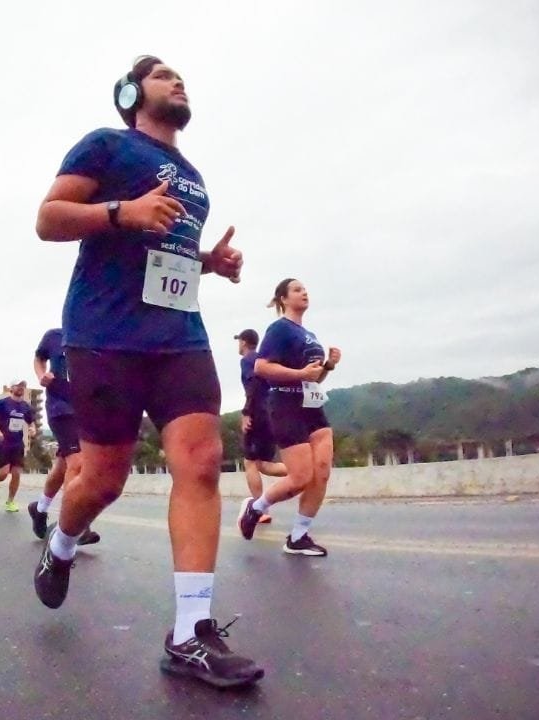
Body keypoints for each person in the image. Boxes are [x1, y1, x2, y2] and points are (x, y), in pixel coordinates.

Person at [31, 55, 262, 688]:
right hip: (104, 333)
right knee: (103, 478)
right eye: (162, 75)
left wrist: (209, 261)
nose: (178, 81)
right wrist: (120, 212)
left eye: (180, 75)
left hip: (178, 335)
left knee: (200, 458)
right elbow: (48, 218)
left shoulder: (194, 177)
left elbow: (167, 250)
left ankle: (190, 632)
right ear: (132, 93)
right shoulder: (105, 144)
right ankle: (61, 543)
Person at [237, 278, 341, 557]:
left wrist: (328, 365)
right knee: (300, 477)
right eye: (297, 289)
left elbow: (314, 376)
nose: (304, 292)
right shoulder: (279, 329)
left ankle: (298, 536)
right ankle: (255, 508)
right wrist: (299, 375)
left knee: (322, 471)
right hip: (285, 404)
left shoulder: (308, 333)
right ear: (283, 299)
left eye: (305, 288)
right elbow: (261, 367)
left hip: (312, 405)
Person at [28, 327, 99, 544]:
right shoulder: (55, 336)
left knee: (63, 467)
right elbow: (39, 358)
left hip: (86, 411)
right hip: (61, 409)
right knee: (77, 464)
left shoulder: (98, 337)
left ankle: (39, 509)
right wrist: (41, 376)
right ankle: (74, 527)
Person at [235, 329, 287, 523]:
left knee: (249, 462)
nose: (238, 345)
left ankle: (259, 509)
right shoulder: (266, 360)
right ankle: (303, 472)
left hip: (258, 412)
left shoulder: (248, 360)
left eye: (239, 341)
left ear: (244, 342)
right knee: (264, 465)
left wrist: (247, 412)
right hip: (272, 411)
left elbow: (253, 385)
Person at [0, 380, 35, 512]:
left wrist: (32, 429)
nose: (21, 388)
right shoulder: (3, 403)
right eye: (18, 385)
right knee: (4, 473)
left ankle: (10, 501)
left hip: (18, 443)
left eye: (23, 386)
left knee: (16, 473)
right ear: (11, 388)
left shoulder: (26, 406)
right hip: (3, 442)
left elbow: (31, 422)